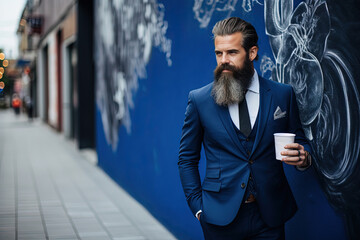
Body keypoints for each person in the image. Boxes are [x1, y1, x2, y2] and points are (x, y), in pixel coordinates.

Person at [178, 17, 312, 240]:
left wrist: (304, 159)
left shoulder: (282, 94)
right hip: (219, 217)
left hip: (269, 216)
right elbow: (186, 159)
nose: (223, 60)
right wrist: (199, 208)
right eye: (218, 53)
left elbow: (301, 140)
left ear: (252, 53)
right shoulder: (200, 100)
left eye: (231, 52)